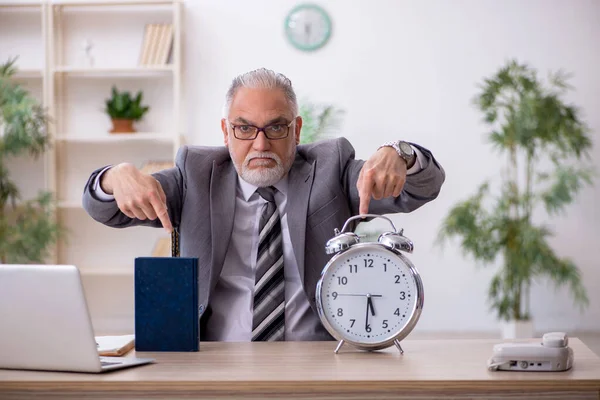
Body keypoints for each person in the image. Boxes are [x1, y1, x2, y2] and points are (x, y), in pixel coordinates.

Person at [82, 68, 445, 342]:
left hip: (319, 359)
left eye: (276, 128)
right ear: (225, 132)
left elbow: (420, 189)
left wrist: (401, 154)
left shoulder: (330, 169)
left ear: (297, 130)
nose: (260, 145)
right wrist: (114, 177)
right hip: (214, 363)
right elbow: (105, 208)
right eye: (244, 129)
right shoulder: (195, 174)